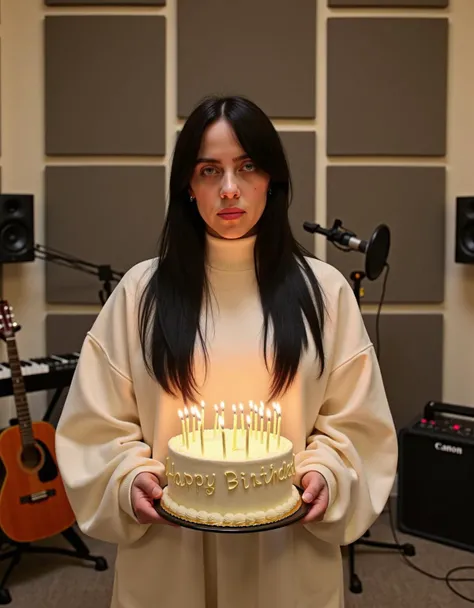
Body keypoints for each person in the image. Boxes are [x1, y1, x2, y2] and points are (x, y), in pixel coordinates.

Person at [55, 95, 398, 608]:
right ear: (188, 188)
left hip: (286, 555)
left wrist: (327, 473)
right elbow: (97, 424)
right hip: (169, 552)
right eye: (209, 171)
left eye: (247, 167)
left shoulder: (324, 291)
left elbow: (356, 424)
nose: (230, 189)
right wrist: (128, 479)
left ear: (272, 180)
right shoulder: (139, 291)